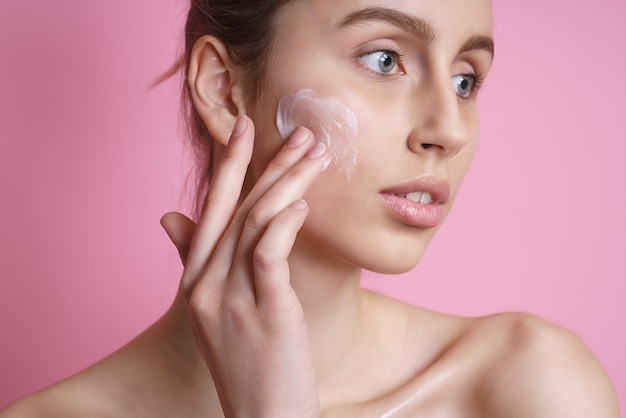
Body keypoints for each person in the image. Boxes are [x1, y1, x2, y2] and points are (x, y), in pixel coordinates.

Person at [1, 0, 620, 416]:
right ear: (223, 89)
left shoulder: (526, 385)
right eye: (385, 59)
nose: (449, 128)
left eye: (466, 78)